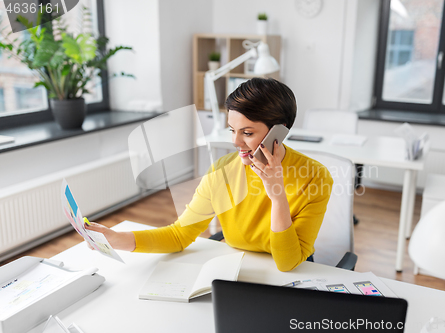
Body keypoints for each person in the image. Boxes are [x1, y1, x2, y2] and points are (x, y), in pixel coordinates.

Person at [85, 78, 333, 272]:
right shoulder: (222, 171)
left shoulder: (315, 177)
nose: (235, 142)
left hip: (288, 274)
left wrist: (277, 196)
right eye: (232, 130)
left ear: (278, 133)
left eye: (247, 133)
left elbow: (286, 263)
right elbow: (178, 234)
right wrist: (116, 239)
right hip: (237, 266)